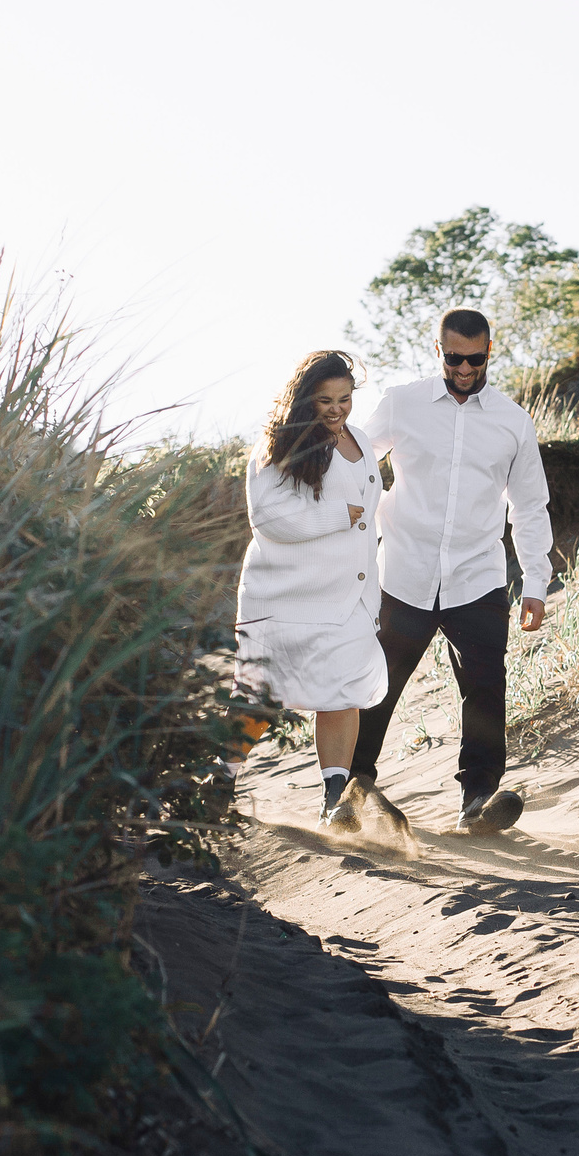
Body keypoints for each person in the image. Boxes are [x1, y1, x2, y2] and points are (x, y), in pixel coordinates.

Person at [351, 307, 551, 833]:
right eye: (456, 358)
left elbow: (529, 507)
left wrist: (535, 582)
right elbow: (356, 462)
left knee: (486, 688)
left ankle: (477, 802)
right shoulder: (402, 403)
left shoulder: (512, 420)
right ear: (438, 351)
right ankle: (349, 790)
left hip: (477, 577)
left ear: (490, 352)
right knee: (378, 685)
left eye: (477, 359)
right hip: (401, 572)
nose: (465, 369)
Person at [234, 350, 388, 830]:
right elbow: (268, 518)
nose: (337, 410)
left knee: (343, 694)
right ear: (304, 399)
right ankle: (219, 781)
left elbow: (368, 525)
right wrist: (336, 515)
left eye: (344, 399)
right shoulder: (276, 444)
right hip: (286, 596)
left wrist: (371, 596)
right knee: (258, 695)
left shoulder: (359, 440)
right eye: (325, 401)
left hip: (350, 597)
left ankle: (334, 801)